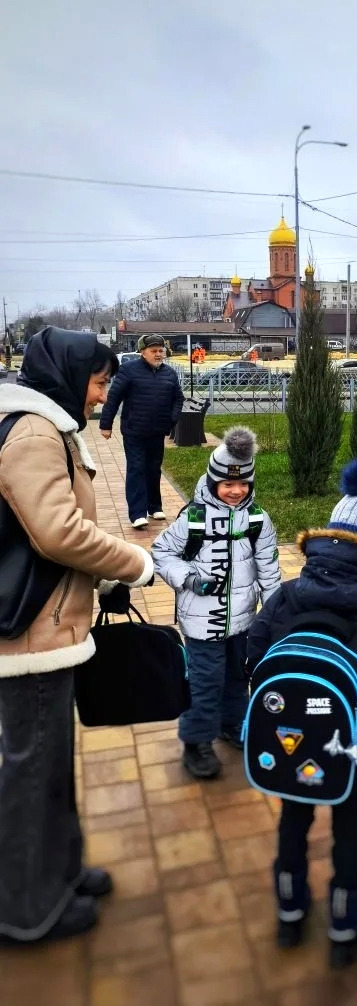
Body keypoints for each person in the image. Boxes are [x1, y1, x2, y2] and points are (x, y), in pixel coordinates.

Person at [0, 327, 155, 944]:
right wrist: (133, 563)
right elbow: (57, 532)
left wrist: (100, 577)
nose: (102, 395)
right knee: (32, 772)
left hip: (44, 625)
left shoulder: (40, 424)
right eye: (98, 382)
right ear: (67, 373)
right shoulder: (36, 432)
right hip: (30, 635)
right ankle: (25, 910)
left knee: (50, 766)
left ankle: (59, 873)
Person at [246, 459, 357, 967]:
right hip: (353, 745)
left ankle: (289, 911)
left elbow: (253, 653)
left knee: (293, 819)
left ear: (329, 535)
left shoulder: (287, 596)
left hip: (288, 740)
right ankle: (345, 922)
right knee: (348, 826)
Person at [151, 426, 281, 779]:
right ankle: (197, 740)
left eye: (243, 484)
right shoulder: (193, 518)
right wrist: (189, 578)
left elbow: (269, 570)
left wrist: (273, 614)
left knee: (238, 677)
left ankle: (232, 723)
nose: (236, 491)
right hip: (201, 622)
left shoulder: (258, 520)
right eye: (227, 484)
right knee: (206, 681)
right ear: (212, 482)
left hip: (244, 620)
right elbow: (161, 552)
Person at [99, 333, 183, 529]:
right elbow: (114, 397)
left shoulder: (169, 373)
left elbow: (178, 398)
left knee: (153, 469)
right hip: (134, 431)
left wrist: (172, 419)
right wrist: (106, 424)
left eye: (161, 351)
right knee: (137, 469)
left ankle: (154, 507)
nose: (158, 354)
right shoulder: (129, 370)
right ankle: (137, 514)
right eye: (154, 351)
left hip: (157, 431)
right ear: (143, 352)